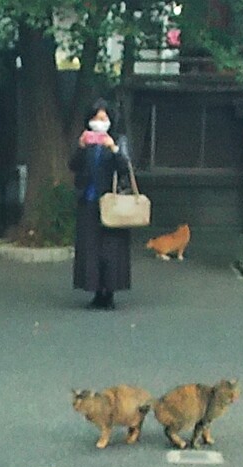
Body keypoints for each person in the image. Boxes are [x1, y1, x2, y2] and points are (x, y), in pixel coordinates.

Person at [69, 100, 132, 310]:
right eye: (95, 118)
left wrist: (113, 148)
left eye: (103, 118)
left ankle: (110, 292)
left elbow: (125, 168)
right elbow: (73, 166)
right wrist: (80, 147)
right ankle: (95, 291)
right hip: (89, 201)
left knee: (112, 249)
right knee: (91, 249)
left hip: (111, 203)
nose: (98, 122)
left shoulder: (118, 140)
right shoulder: (86, 142)